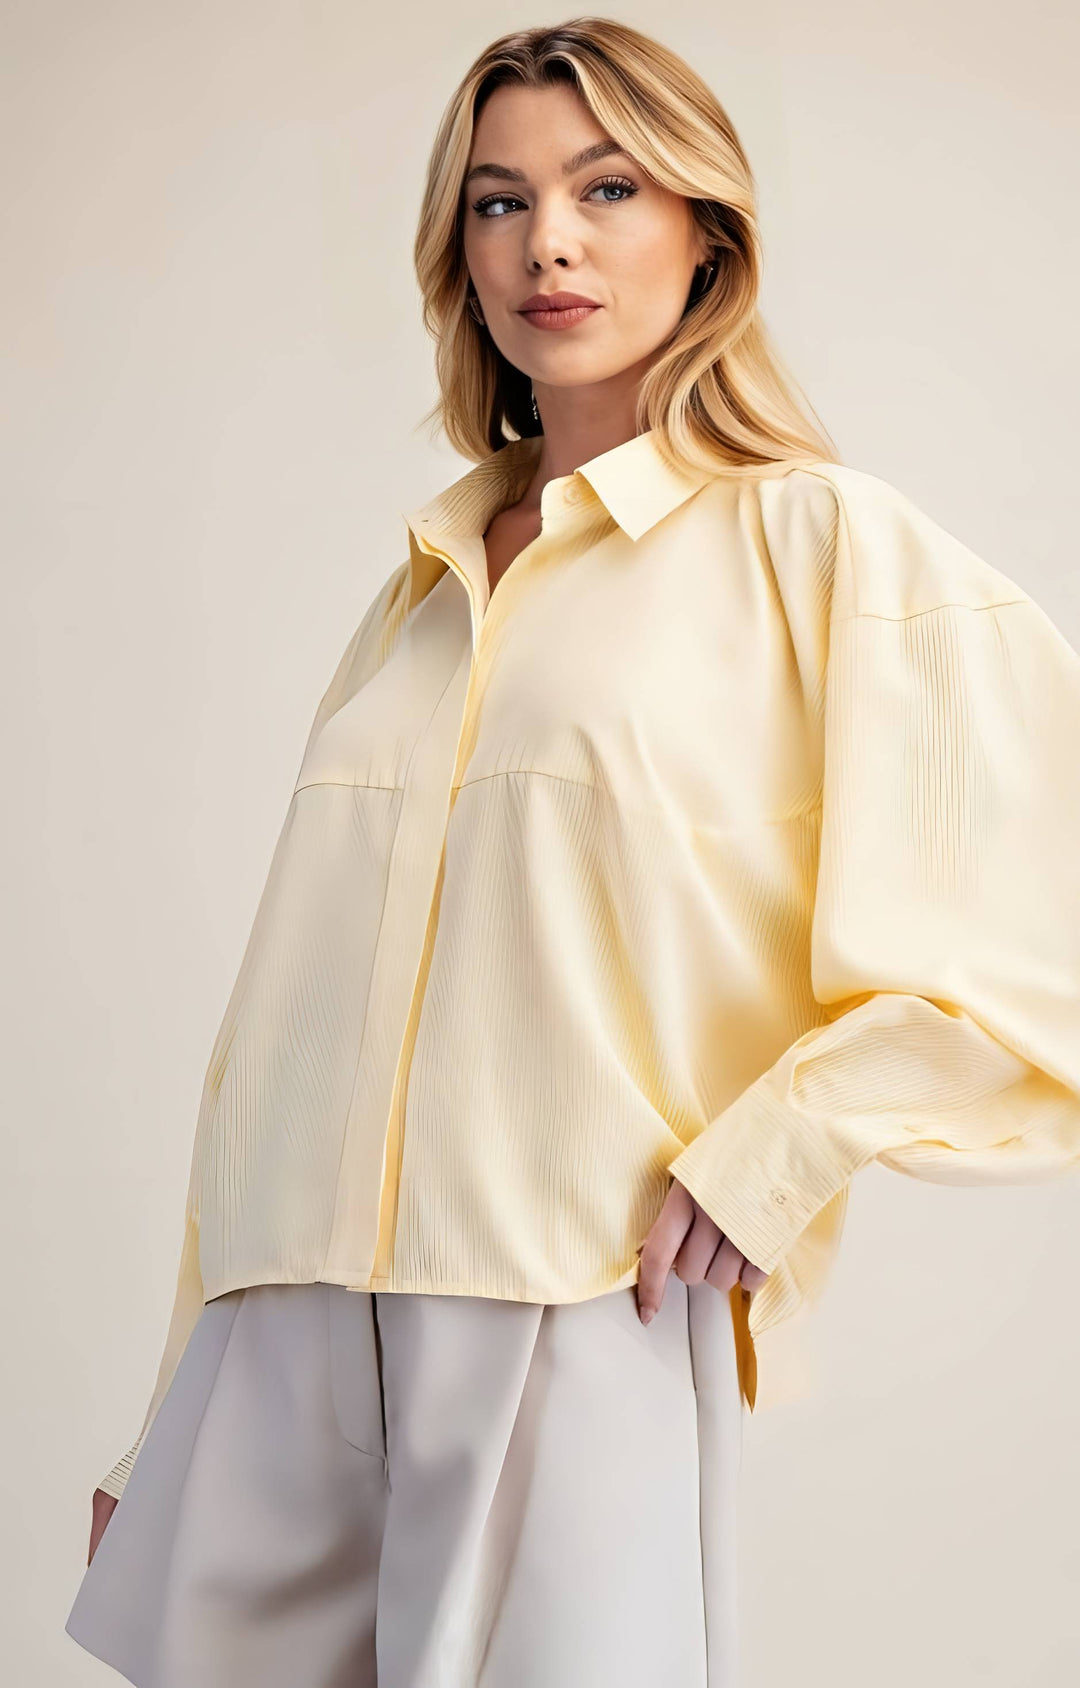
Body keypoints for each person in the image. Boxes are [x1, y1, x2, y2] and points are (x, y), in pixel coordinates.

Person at [65, 17, 1080, 1688]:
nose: (549, 241)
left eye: (609, 187)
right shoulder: (418, 592)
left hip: (569, 1300)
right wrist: (170, 1398)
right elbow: (281, 1027)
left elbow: (1036, 931)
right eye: (499, 200)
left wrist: (785, 1143)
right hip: (280, 1330)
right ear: (457, 253)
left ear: (707, 231)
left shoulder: (817, 544)